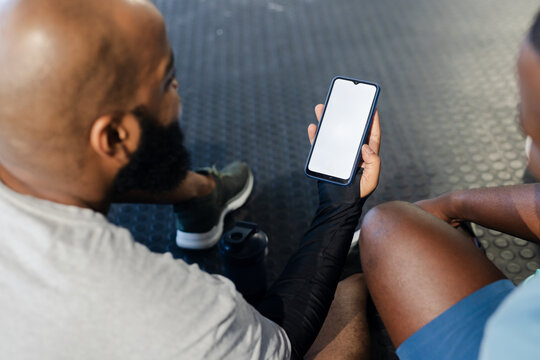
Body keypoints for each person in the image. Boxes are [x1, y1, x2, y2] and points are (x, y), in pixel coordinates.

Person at [0, 0, 382, 359]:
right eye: (167, 81)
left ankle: (202, 194)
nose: (179, 90)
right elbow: (279, 341)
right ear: (115, 137)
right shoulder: (165, 307)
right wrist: (338, 211)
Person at [358, 10, 540, 360]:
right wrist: (455, 204)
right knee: (391, 225)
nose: (529, 156)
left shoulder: (511, 337)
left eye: (536, 140)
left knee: (382, 226)